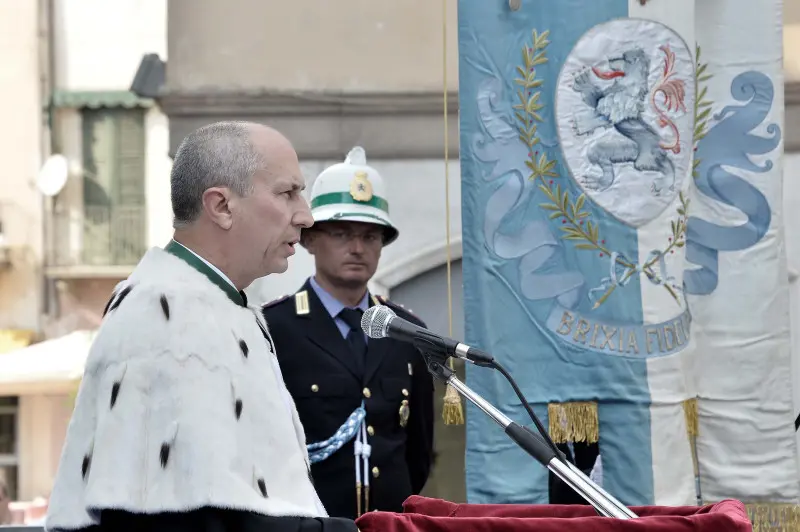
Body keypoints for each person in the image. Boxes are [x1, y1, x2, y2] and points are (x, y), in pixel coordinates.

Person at [45, 121, 357, 532]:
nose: (305, 215)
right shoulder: (167, 311)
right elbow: (183, 519)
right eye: (287, 193)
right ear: (222, 206)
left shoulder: (215, 304)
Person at [262, 147, 435, 520]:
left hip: (389, 524)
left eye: (371, 237)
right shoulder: (274, 328)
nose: (357, 248)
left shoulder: (406, 333)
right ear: (309, 239)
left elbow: (418, 453)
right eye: (341, 233)